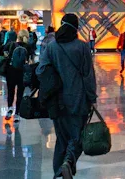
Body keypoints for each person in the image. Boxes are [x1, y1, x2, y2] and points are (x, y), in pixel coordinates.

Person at [37, 13, 97, 179]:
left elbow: (40, 71)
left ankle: (58, 173)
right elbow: (88, 75)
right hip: (78, 99)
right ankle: (68, 163)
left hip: (56, 101)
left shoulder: (51, 47)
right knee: (77, 137)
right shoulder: (82, 47)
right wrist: (92, 97)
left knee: (61, 139)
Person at [3, 30, 31, 123]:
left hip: (11, 71)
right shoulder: (28, 47)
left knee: (10, 91)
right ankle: (17, 114)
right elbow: (30, 60)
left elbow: (1, 51)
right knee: (20, 93)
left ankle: (10, 108)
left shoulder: (12, 44)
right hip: (22, 72)